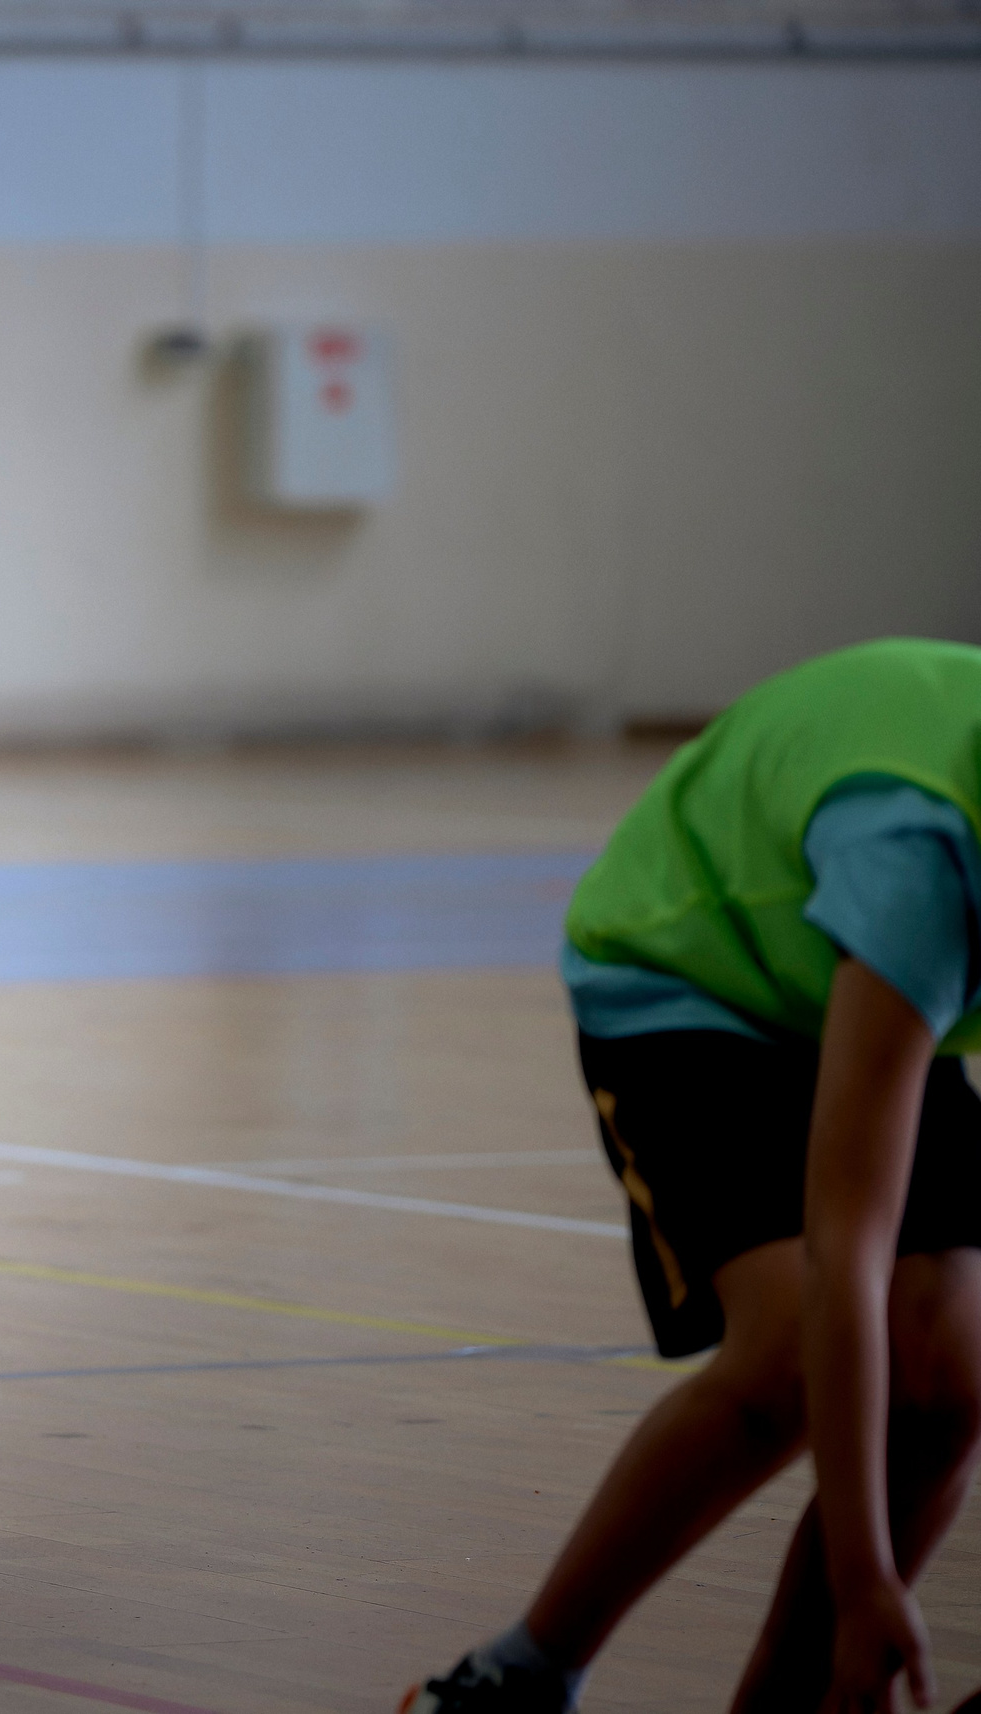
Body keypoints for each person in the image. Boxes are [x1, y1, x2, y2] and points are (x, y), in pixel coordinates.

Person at [406, 638, 981, 1713]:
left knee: (949, 1379)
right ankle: (517, 1677)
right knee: (789, 1357)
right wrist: (863, 1574)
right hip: (690, 967)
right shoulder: (919, 870)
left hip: (849, 961)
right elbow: (841, 1251)